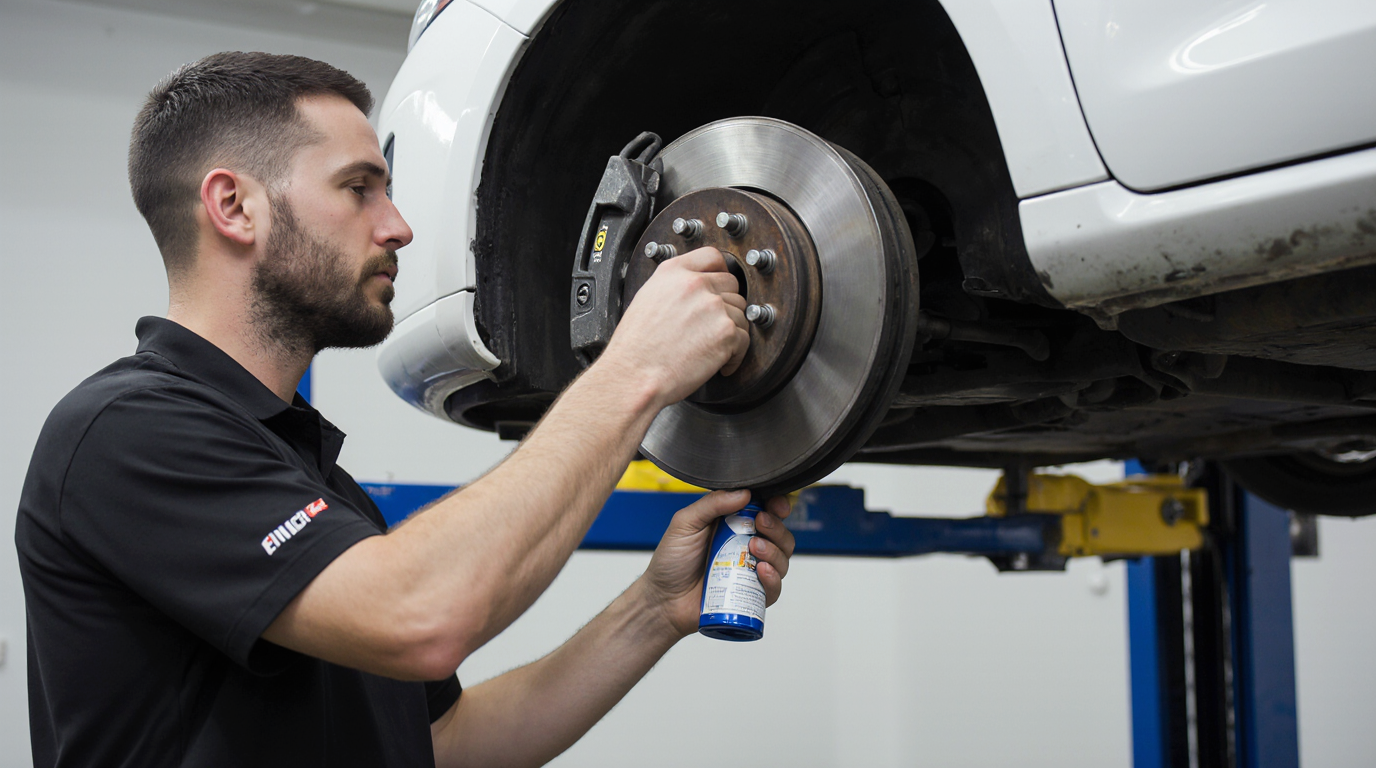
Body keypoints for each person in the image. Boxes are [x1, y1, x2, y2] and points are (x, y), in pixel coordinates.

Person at [14, 51, 794, 767]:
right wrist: (635, 368)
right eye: (359, 188)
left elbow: (444, 745)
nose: (398, 226)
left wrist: (653, 610)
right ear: (234, 206)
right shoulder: (123, 433)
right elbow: (421, 615)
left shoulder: (324, 491)